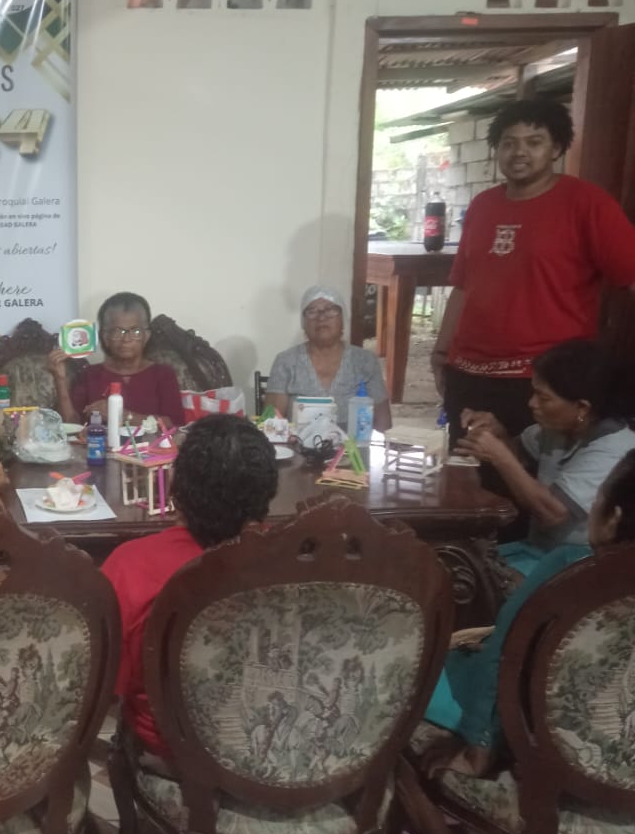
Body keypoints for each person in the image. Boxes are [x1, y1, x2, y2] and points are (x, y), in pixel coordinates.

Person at [396, 450, 635, 834]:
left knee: (393, 684)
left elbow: (505, 652)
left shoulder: (570, 569)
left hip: (535, 734)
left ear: (614, 517)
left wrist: (479, 744)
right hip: (620, 759)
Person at [431, 98, 635, 450]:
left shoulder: (588, 203)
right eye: (508, 143)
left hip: (545, 383)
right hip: (469, 373)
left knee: (533, 475)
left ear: (556, 148)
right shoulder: (483, 205)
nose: (519, 152)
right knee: (464, 471)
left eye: (534, 142)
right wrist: (441, 354)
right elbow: (463, 286)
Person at [101, 414, 278, 759]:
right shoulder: (298, 559)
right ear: (267, 493)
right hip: (274, 747)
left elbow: (101, 684)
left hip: (173, 752)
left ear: (176, 489)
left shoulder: (130, 566)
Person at [455, 339, 635, 579]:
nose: (532, 403)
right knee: (458, 560)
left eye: (544, 398)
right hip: (537, 550)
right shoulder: (557, 429)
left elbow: (553, 515)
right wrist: (498, 434)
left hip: (576, 566)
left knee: (467, 577)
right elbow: (519, 455)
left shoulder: (614, 449)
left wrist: (500, 456)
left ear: (582, 408)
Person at [265, 285, 391, 432]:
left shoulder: (365, 361)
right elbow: (272, 426)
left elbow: (384, 425)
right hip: (298, 445)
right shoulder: (286, 361)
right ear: (303, 322)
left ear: (342, 319)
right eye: (312, 311)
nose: (321, 317)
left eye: (331, 310)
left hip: (353, 445)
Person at [46, 292, 183, 425]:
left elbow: (175, 423)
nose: (126, 339)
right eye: (117, 331)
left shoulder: (163, 374)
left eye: (135, 331)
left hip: (152, 442)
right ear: (105, 337)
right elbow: (70, 425)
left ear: (146, 336)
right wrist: (60, 379)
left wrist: (120, 415)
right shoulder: (89, 375)